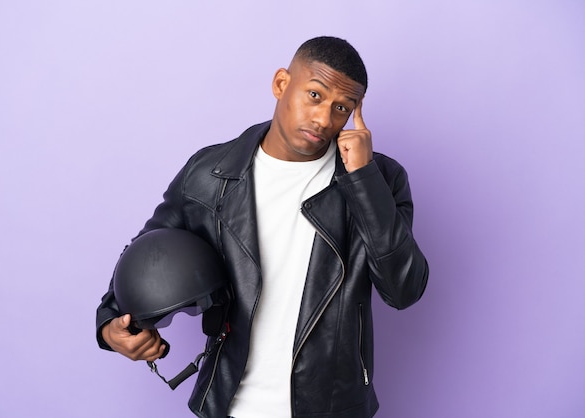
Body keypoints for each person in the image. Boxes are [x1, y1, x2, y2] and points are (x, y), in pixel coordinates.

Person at [96, 36, 429, 418]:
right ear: (282, 84)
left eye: (342, 107)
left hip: (333, 407)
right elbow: (146, 251)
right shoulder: (209, 173)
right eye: (315, 95)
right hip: (229, 405)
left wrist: (364, 181)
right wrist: (110, 324)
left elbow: (404, 290)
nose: (324, 120)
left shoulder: (380, 179)